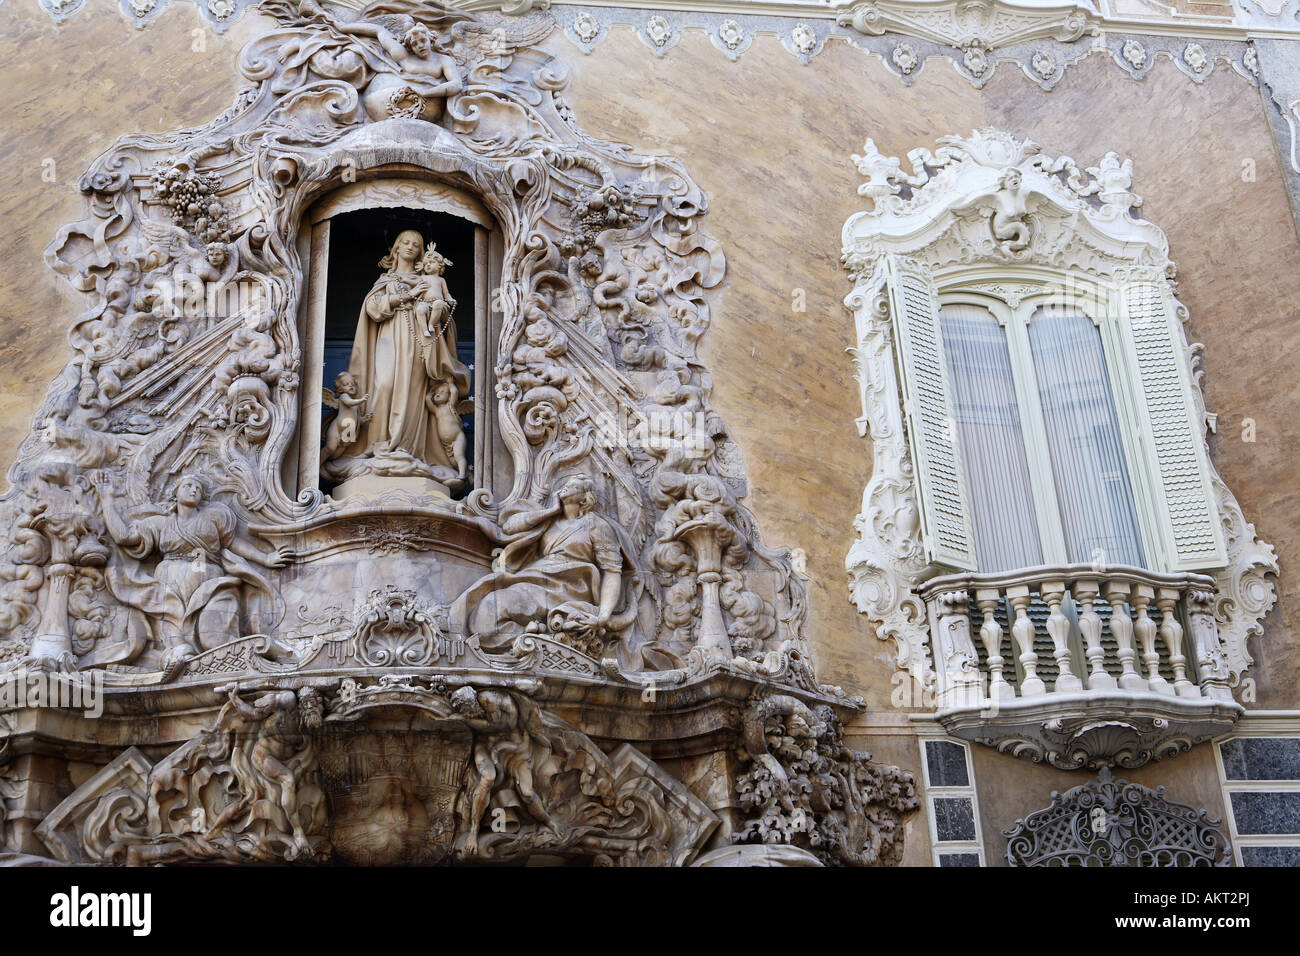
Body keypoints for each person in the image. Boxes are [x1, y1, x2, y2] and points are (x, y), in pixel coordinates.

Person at [93, 472, 290, 665]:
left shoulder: (214, 518)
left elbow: (233, 543)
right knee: (176, 648)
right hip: (169, 591)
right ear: (176, 492)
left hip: (211, 585)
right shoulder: (161, 523)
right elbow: (123, 537)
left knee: (213, 638)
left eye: (198, 488)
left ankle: (260, 653)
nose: (194, 490)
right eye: (188, 486)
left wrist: (265, 558)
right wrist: (106, 499)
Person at [338, 229, 471, 480]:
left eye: (416, 244)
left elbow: (444, 314)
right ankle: (377, 447)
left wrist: (436, 309)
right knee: (384, 385)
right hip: (389, 335)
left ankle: (407, 450)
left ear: (421, 252)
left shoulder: (429, 279)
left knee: (412, 391)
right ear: (396, 248)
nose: (410, 247)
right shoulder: (385, 280)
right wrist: (404, 297)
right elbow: (373, 308)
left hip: (419, 339)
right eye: (406, 243)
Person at [454, 474, 628, 653]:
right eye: (566, 483)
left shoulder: (595, 524)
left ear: (585, 498)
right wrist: (551, 511)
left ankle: (537, 640)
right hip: (535, 578)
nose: (566, 487)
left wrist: (602, 616)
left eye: (574, 485)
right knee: (487, 612)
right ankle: (531, 637)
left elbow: (612, 571)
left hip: (570, 587)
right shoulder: (549, 520)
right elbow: (509, 527)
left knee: (490, 612)